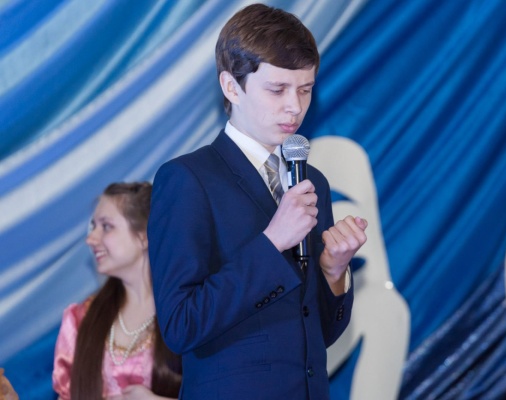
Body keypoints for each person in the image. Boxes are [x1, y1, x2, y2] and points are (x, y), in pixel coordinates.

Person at [147, 3, 368, 399]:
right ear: (231, 87)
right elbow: (180, 325)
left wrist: (334, 272)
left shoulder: (311, 181)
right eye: (277, 89)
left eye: (305, 89)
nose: (294, 106)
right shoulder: (187, 179)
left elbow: (317, 334)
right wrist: (271, 242)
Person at [52, 182, 181, 400]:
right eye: (93, 226)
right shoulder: (80, 320)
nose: (90, 239)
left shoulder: (189, 313)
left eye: (106, 226)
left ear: (144, 235)